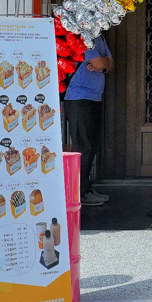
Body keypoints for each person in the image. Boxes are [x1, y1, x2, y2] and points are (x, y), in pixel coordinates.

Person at [64, 35, 113, 206]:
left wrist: (102, 65)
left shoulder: (100, 38)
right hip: (78, 98)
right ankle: (79, 193)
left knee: (91, 144)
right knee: (82, 145)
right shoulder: (83, 35)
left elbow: (109, 65)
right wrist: (101, 65)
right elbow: (102, 64)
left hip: (94, 97)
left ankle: (86, 188)